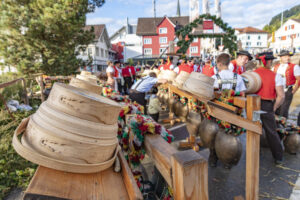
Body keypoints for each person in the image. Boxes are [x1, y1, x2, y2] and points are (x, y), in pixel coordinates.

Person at [209, 53, 246, 169]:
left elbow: (210, 95)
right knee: (232, 135)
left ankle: (213, 159)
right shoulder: (238, 77)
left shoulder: (215, 78)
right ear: (229, 63)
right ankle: (228, 161)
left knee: (215, 134)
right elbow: (243, 95)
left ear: (219, 64)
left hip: (219, 112)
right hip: (234, 112)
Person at [255, 52, 285, 164]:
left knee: (253, 130)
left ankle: (255, 154)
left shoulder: (252, 74)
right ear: (267, 61)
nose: (272, 63)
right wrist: (274, 107)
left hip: (253, 104)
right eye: (271, 61)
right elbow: (281, 96)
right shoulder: (275, 76)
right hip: (267, 105)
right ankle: (278, 157)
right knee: (271, 132)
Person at [273, 50, 300, 119]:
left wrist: (293, 91)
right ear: (281, 58)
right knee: (276, 108)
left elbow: (299, 80)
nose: (287, 58)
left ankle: (283, 126)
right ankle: (276, 125)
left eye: (288, 56)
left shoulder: (295, 67)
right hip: (276, 90)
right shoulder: (276, 67)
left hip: (287, 90)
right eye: (285, 56)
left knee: (284, 109)